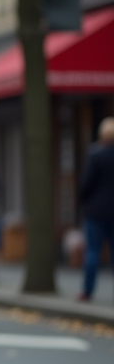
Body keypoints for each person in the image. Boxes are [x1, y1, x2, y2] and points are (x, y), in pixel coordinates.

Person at [78, 117, 114, 302]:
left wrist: (84, 201)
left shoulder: (95, 154)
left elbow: (86, 184)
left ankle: (87, 291)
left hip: (96, 210)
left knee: (93, 251)